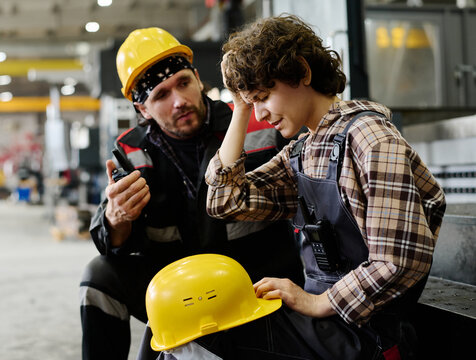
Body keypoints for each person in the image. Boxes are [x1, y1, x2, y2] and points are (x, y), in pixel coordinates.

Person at [153, 15, 446, 359]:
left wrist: (318, 301)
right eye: (252, 102)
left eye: (263, 96)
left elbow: (400, 261)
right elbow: (225, 200)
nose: (260, 114)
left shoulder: (371, 139)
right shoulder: (304, 150)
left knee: (199, 341)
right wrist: (240, 109)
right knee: (175, 324)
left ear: (302, 73)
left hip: (368, 335)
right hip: (326, 325)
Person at [79, 27, 304, 360]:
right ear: (142, 110)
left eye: (183, 83)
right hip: (176, 290)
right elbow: (112, 243)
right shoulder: (131, 153)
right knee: (98, 277)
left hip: (253, 282)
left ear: (198, 78)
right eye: (160, 95)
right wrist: (117, 218)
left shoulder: (255, 124)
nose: (179, 101)